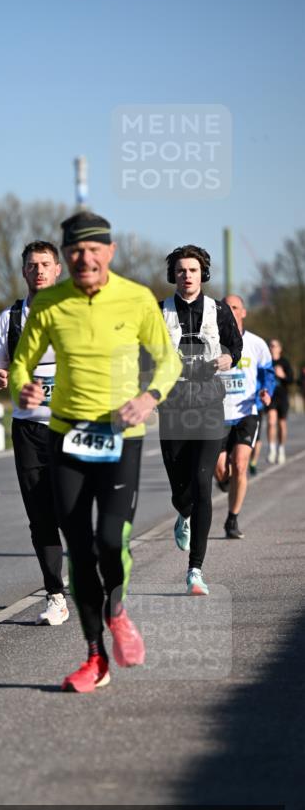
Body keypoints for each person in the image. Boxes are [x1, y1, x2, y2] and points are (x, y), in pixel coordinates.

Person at [9, 212, 181, 693]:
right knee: (79, 550)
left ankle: (117, 610)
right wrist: (23, 389)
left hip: (119, 436)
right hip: (65, 435)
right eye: (75, 251)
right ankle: (94, 657)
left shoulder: (136, 298)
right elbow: (22, 364)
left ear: (110, 251)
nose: (84, 258)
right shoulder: (50, 304)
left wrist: (149, 398)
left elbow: (168, 361)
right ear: (66, 257)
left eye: (93, 249)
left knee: (110, 539)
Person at [0, 240, 70, 625]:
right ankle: (56, 594)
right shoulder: (11, 318)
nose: (38, 270)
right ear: (23, 272)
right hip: (29, 430)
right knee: (41, 515)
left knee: (74, 510)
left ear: (58, 271)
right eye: (32, 265)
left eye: (45, 264)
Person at [157, 247, 243, 594]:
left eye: (192, 270)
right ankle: (184, 511)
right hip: (173, 407)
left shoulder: (218, 309)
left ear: (202, 274)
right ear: (173, 275)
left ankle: (195, 570)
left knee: (202, 480)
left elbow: (234, 348)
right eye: (180, 271)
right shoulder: (159, 311)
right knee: (181, 487)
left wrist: (226, 359)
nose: (187, 276)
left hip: (208, 405)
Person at [213, 295, 275, 538]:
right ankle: (226, 484)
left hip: (246, 411)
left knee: (240, 465)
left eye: (235, 307)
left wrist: (266, 392)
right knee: (220, 471)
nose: (230, 311)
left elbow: (268, 374)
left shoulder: (257, 343)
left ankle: (232, 519)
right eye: (226, 307)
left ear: (244, 312)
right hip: (216, 414)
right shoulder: (212, 342)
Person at [266, 338, 294, 464]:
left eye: (274, 345)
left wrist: (282, 375)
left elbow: (291, 380)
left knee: (282, 424)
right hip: (271, 396)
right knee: (271, 422)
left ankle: (281, 449)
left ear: (279, 349)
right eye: (270, 345)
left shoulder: (284, 362)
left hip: (282, 396)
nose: (272, 347)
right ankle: (272, 450)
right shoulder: (266, 362)